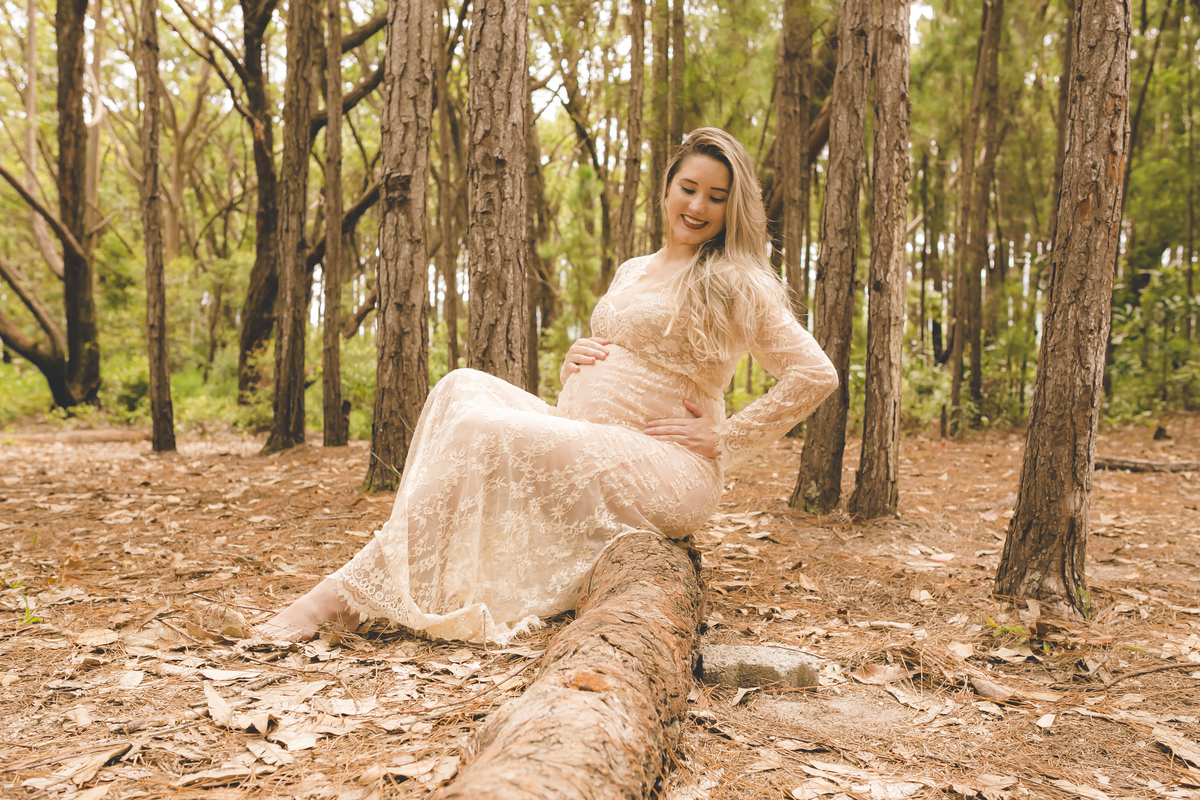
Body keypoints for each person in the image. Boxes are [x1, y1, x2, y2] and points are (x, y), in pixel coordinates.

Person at [259, 127, 838, 644]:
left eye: (716, 197)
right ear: (667, 188)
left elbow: (814, 373)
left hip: (665, 460)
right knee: (460, 387)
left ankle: (343, 594)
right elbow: (629, 352)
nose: (697, 206)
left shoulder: (732, 280)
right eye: (688, 188)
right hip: (589, 434)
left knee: (483, 429)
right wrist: (574, 364)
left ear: (734, 208)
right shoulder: (634, 269)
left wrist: (726, 437)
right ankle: (403, 577)